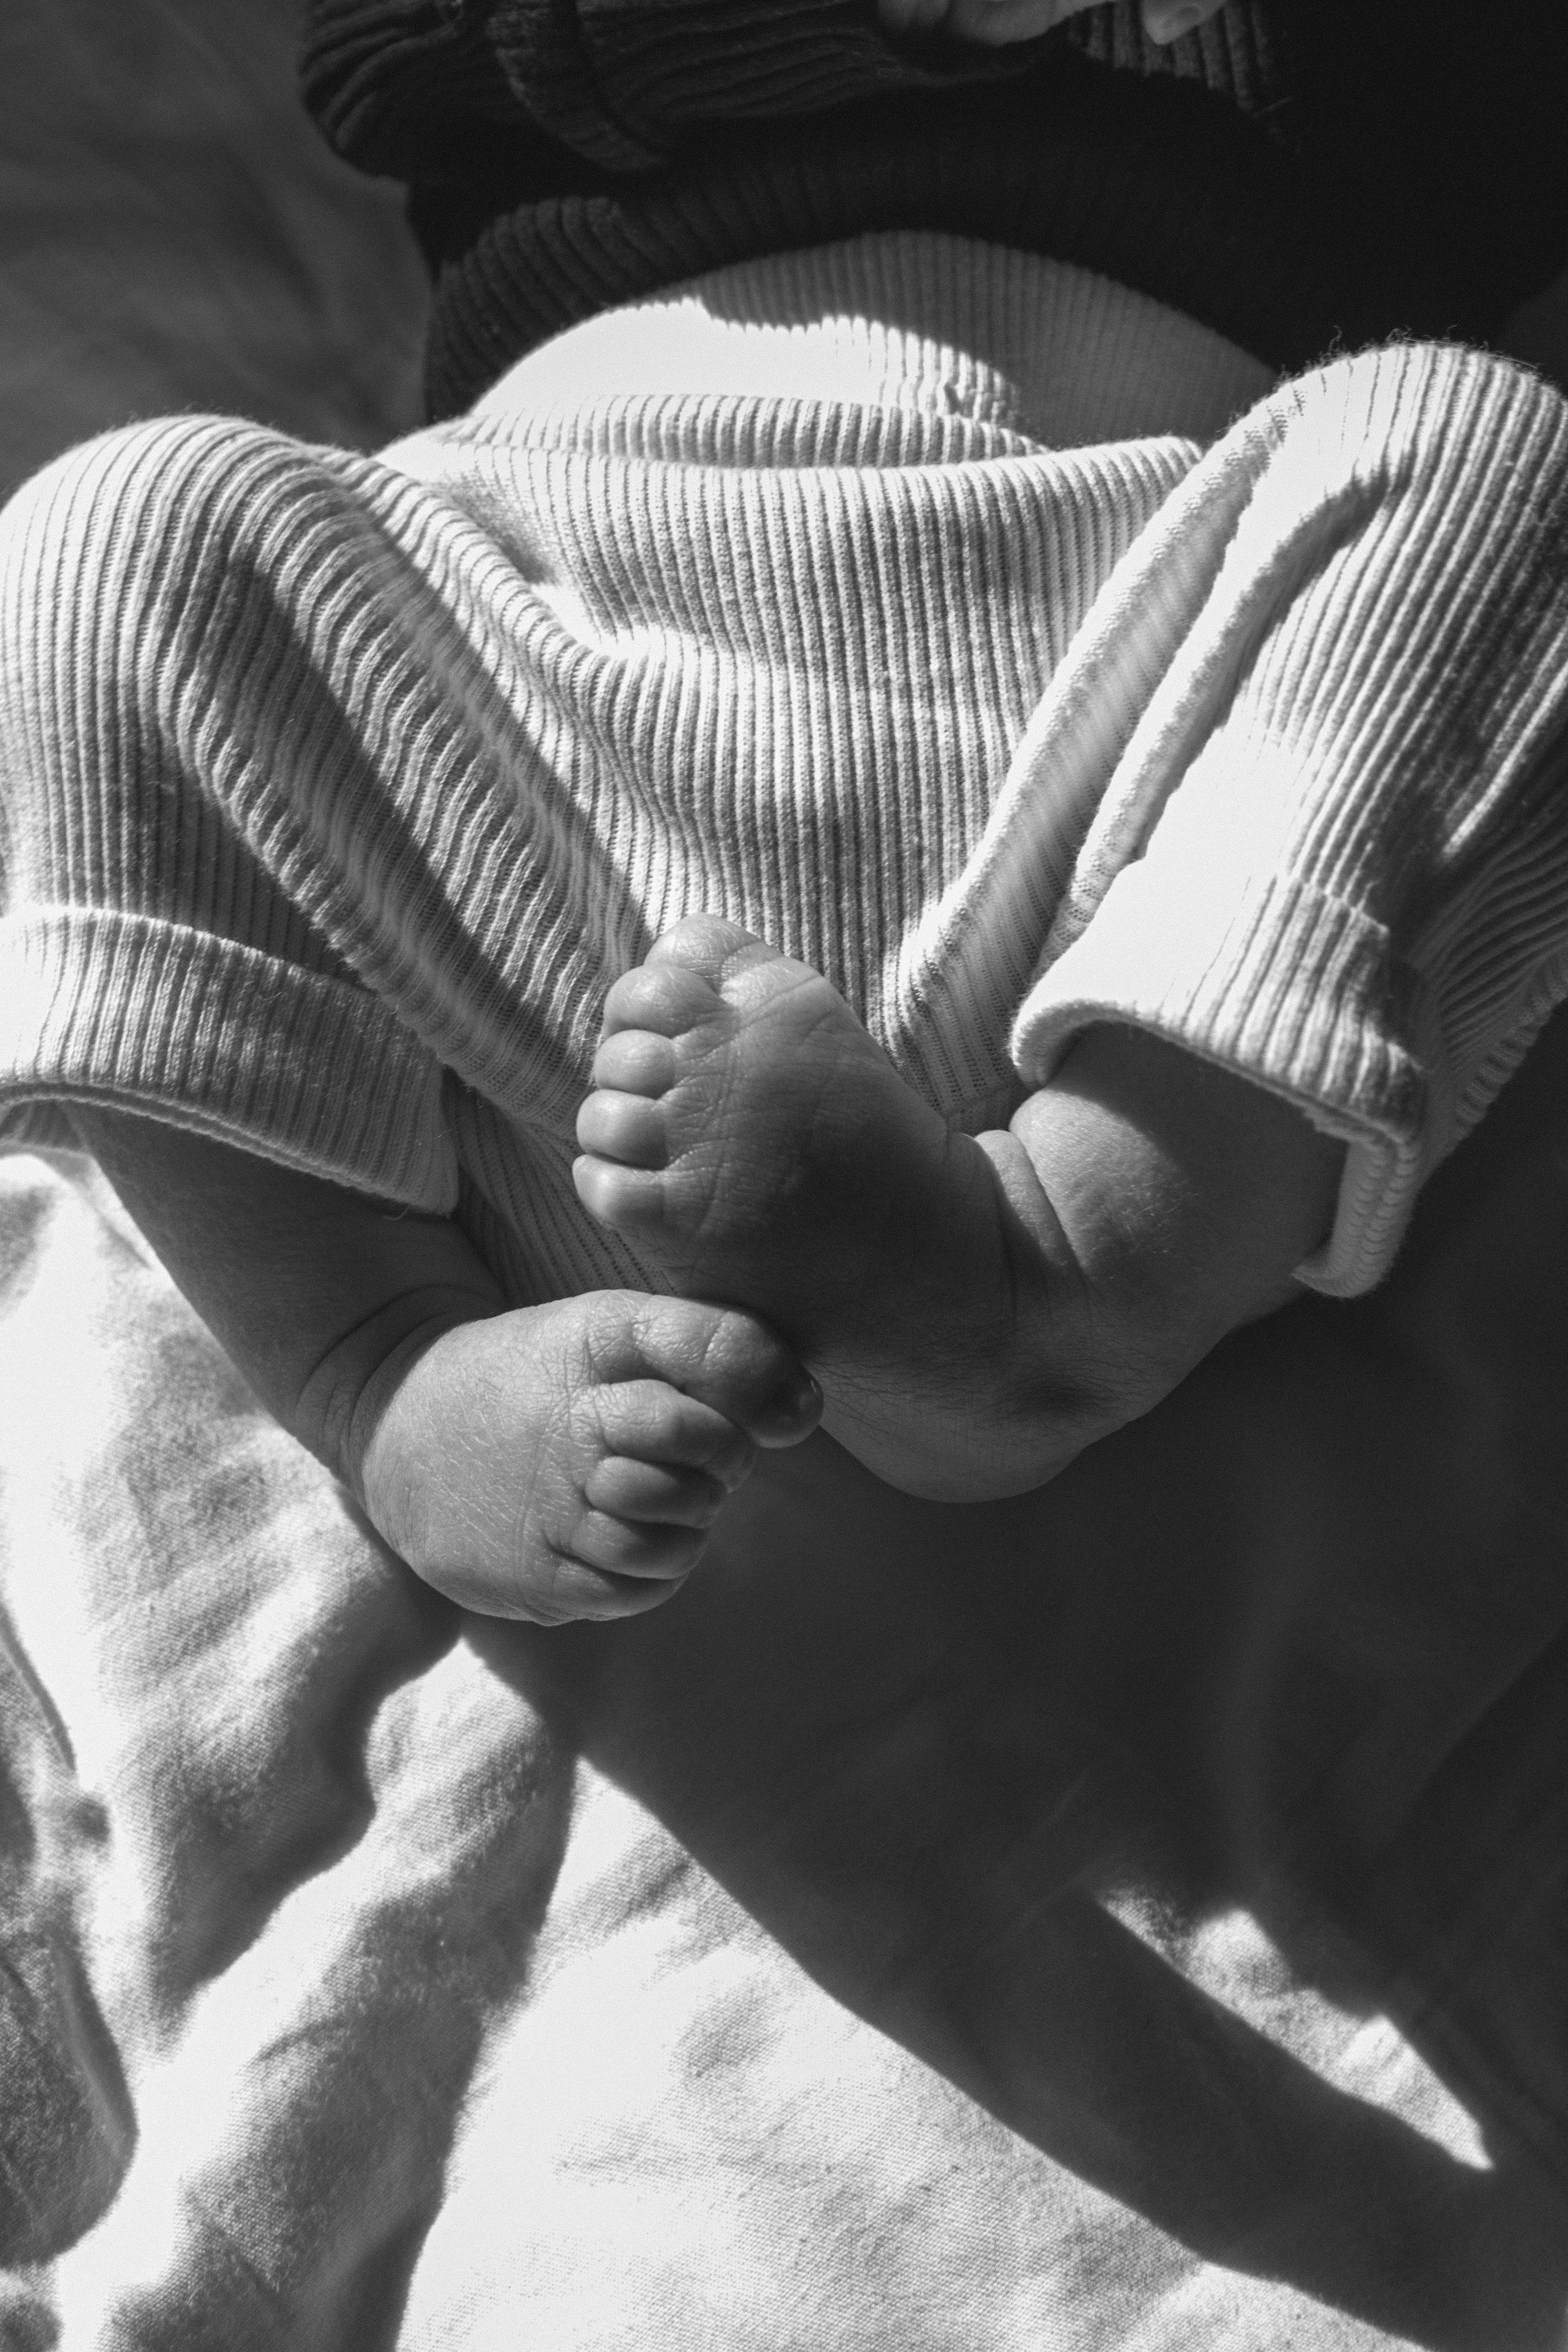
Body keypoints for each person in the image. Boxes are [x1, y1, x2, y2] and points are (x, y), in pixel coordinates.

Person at [2, 0, 1567, 1627]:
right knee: (125, 523)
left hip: (1130, 812)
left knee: (1483, 439)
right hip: (540, 739)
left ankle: (1067, 1285)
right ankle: (383, 1363)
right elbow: (394, 55)